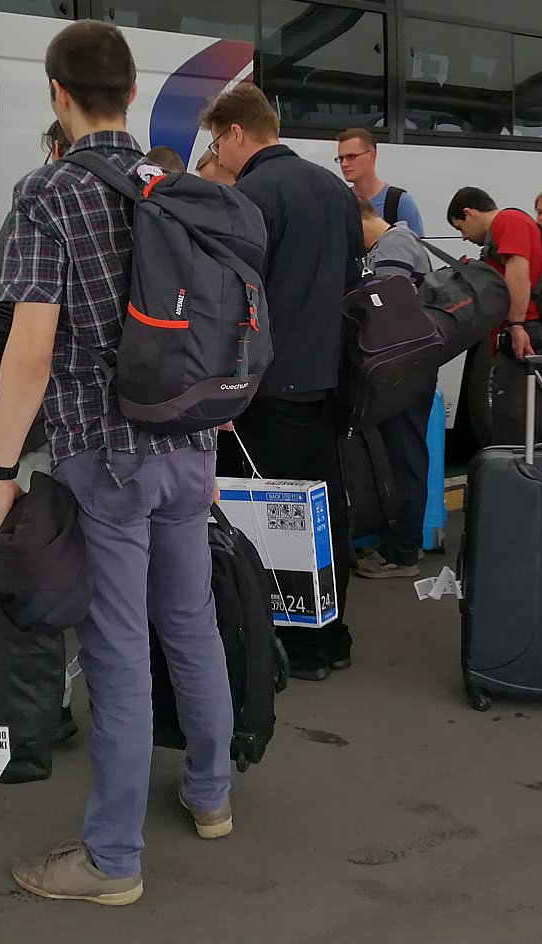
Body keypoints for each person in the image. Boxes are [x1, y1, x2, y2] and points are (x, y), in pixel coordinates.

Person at [0, 21, 232, 906]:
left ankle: (113, 860)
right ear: (131, 93)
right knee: (191, 623)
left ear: (58, 95)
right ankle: (210, 795)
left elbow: (30, 349)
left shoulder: (48, 192)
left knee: (119, 652)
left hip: (106, 458)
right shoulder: (178, 185)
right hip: (191, 446)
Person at [209, 85, 364, 681]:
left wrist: (224, 386)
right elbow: (351, 282)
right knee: (324, 505)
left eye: (218, 141)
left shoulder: (249, 196)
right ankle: (333, 634)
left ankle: (295, 644)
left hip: (268, 385)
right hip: (329, 377)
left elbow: (235, 300)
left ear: (237, 132)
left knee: (273, 513)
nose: (219, 154)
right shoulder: (335, 190)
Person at [355, 197, 434, 581]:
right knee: (403, 454)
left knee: (405, 457)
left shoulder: (395, 245)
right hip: (407, 366)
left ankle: (402, 552)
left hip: (406, 369)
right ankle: (401, 543)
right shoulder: (389, 245)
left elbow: (384, 307)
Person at [447, 186, 542, 446]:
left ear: (470, 213)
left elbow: (518, 270)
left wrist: (516, 324)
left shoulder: (507, 221)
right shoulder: (510, 224)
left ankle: (515, 469)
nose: (464, 237)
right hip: (529, 331)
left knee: (513, 419)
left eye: (460, 228)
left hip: (525, 332)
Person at [336, 127, 425, 236]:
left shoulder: (399, 202)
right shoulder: (342, 202)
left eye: (351, 156)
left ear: (372, 156)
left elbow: (416, 245)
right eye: (341, 158)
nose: (344, 164)